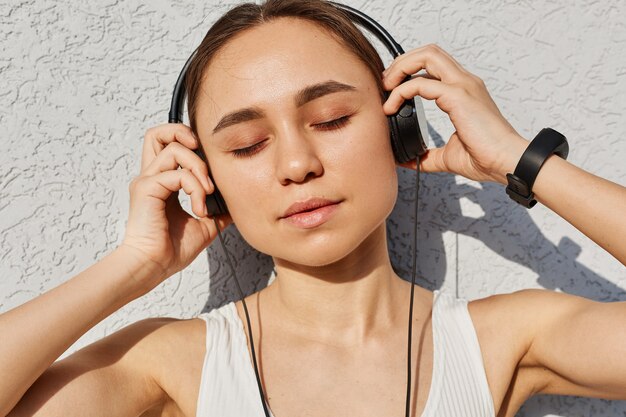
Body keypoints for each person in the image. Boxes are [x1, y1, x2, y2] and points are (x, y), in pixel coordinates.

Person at [1, 0, 625, 416]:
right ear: (209, 180)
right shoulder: (170, 361)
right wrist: (136, 265)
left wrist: (523, 161)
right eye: (246, 145)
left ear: (398, 129)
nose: (296, 164)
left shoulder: (501, 340)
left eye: (330, 119)